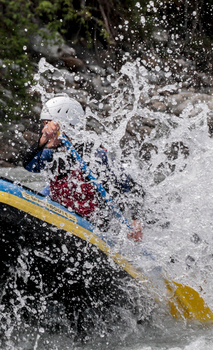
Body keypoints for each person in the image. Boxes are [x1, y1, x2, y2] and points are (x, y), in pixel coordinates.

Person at [20, 95, 145, 241]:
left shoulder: (93, 155)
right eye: (44, 125)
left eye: (48, 125)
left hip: (94, 225)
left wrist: (136, 221)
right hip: (61, 213)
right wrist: (41, 142)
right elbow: (28, 165)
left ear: (65, 125)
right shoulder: (50, 152)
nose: (44, 130)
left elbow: (135, 189)